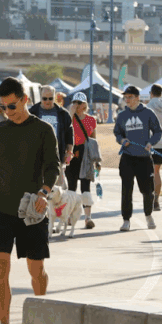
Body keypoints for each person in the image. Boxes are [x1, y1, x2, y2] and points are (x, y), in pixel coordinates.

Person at [0, 77, 58, 324]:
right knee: (0, 268)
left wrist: (44, 191)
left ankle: (40, 319)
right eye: (3, 107)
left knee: (36, 269)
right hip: (1, 210)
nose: (8, 112)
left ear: (25, 99)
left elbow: (53, 166)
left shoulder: (43, 130)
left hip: (31, 211)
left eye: (12, 105)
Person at [113, 86, 162, 231]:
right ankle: (126, 220)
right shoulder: (122, 115)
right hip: (127, 157)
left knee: (147, 190)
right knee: (126, 190)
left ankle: (148, 215)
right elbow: (117, 133)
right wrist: (122, 141)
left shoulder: (148, 113)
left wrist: (151, 142)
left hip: (144, 157)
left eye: (130, 97)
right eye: (125, 97)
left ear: (137, 98)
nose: (127, 100)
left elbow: (158, 131)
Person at [29, 85, 73, 185]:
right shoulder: (32, 112)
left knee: (58, 190)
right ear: (40, 98)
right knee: (37, 188)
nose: (48, 101)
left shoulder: (63, 114)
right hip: (36, 157)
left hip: (57, 156)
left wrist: (69, 151)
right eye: (44, 99)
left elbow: (69, 134)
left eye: (50, 98)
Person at [66, 92, 98, 229]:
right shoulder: (68, 118)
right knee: (71, 187)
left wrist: (97, 160)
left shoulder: (91, 120)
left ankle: (88, 217)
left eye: (79, 103)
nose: (77, 105)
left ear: (85, 104)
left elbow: (93, 140)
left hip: (85, 155)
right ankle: (70, 216)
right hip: (72, 154)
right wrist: (70, 112)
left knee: (86, 187)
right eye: (74, 102)